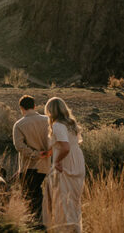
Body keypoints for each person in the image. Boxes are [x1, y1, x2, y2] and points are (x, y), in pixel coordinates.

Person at [42, 96, 85, 232]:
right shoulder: (71, 124)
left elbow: (65, 147)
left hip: (66, 163)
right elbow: (72, 144)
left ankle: (64, 229)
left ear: (50, 111)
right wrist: (51, 152)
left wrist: (57, 161)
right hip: (77, 160)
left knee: (63, 199)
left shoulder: (58, 125)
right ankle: (74, 228)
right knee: (73, 200)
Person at [12, 95, 50, 226]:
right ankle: (41, 221)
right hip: (46, 165)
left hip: (28, 166)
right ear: (34, 106)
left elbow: (19, 146)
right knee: (38, 192)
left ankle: (35, 223)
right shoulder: (48, 120)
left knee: (29, 195)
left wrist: (35, 154)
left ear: (21, 108)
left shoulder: (19, 125)